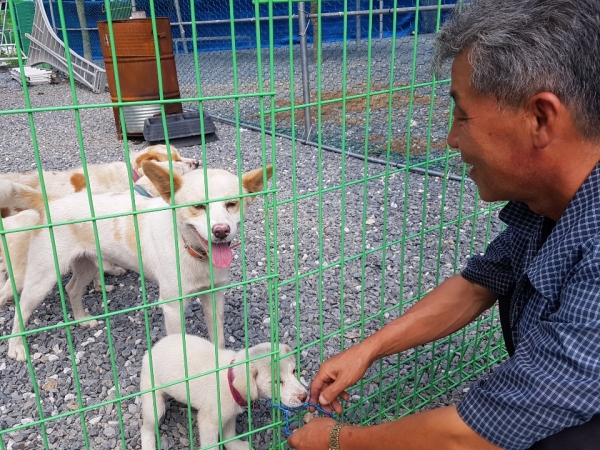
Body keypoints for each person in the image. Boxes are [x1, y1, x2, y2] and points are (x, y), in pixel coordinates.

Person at [287, 0, 600, 449]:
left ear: (540, 118)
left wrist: (338, 440)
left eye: (463, 115)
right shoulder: (547, 205)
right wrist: (369, 349)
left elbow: (476, 435)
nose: (452, 138)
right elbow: (480, 282)